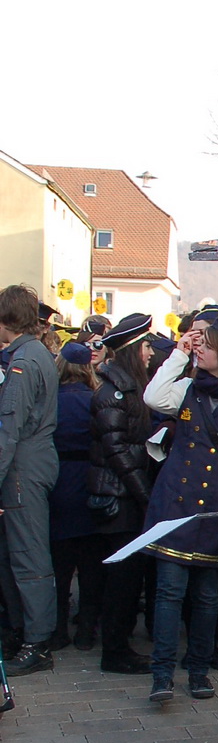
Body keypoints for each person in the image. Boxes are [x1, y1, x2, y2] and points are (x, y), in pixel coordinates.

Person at [142, 310, 218, 703]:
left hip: (214, 509)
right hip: (174, 504)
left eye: (206, 345)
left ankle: (198, 670)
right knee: (169, 592)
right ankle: (161, 674)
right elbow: (153, 397)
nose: (199, 349)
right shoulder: (187, 389)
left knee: (207, 595)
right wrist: (178, 355)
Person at [88, 314, 157, 674]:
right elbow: (117, 451)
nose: (150, 352)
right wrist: (145, 495)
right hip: (118, 501)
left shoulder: (129, 387)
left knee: (127, 581)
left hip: (126, 498)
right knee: (121, 581)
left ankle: (119, 645)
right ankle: (115, 651)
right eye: (146, 346)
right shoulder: (112, 392)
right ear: (132, 350)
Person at [0, 283, 60, 675]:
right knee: (17, 554)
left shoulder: (22, 362)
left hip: (22, 466)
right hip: (29, 462)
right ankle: (24, 631)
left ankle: (37, 642)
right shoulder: (34, 353)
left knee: (28, 556)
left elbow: (9, 428)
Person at [48, 342, 102, 652]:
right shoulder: (95, 399)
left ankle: (57, 629)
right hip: (90, 481)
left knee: (60, 564)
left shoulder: (51, 400)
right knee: (91, 565)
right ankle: (86, 629)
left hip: (58, 482)